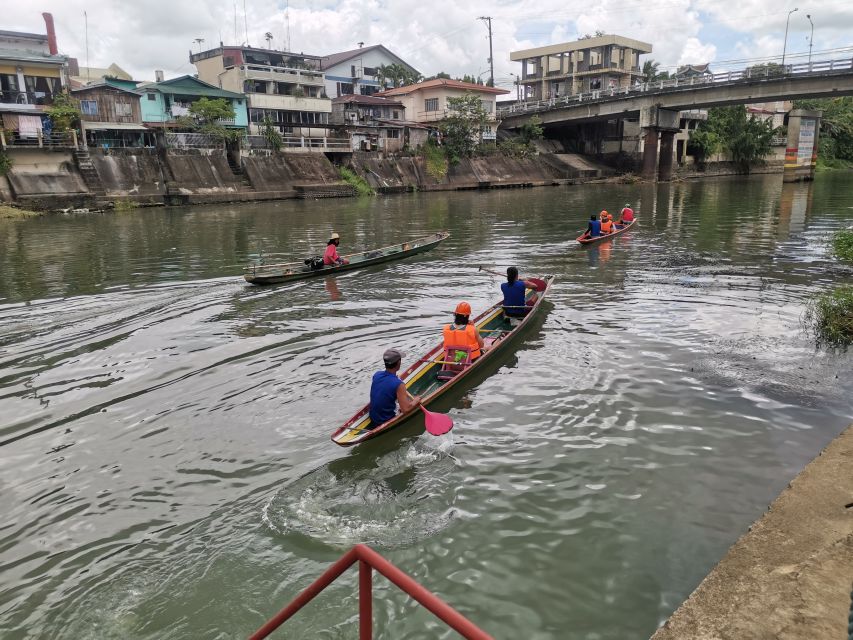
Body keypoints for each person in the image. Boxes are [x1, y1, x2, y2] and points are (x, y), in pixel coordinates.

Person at [368, 348, 420, 427]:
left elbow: (386, 386)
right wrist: (416, 401)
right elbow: (405, 410)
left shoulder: (377, 374)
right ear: (399, 363)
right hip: (386, 419)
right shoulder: (399, 384)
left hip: (373, 417)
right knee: (409, 404)